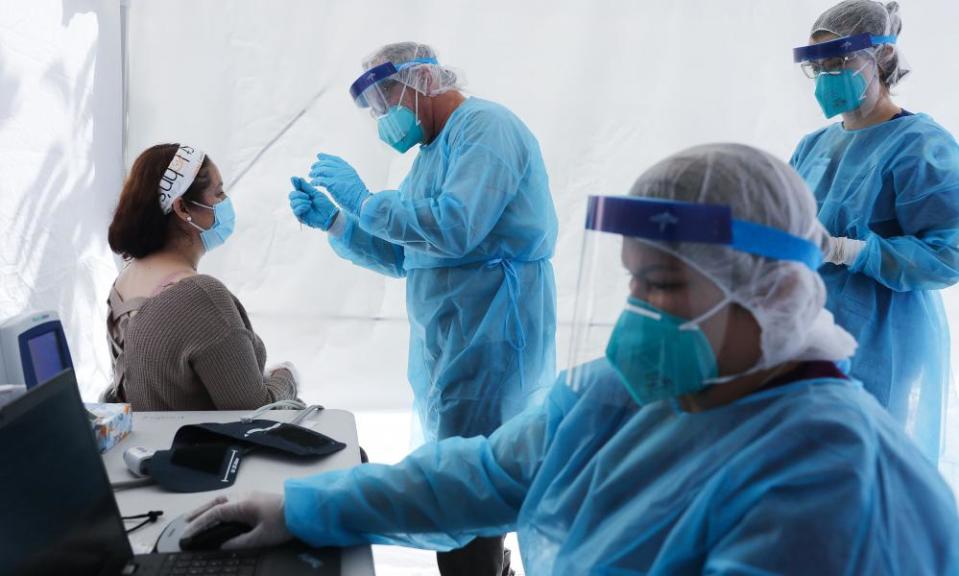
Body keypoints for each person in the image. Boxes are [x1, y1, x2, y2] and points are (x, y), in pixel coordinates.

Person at [188, 144, 959, 574]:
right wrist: (300, 509)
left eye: (662, 286)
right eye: (632, 284)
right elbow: (483, 474)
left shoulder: (839, 481)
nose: (637, 316)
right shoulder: (626, 396)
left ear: (764, 290)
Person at [288, 42, 558, 573]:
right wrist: (339, 223)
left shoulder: (486, 129)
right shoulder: (431, 155)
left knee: (469, 494)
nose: (386, 117)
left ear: (425, 80)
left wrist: (366, 203)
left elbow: (455, 227)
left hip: (494, 340)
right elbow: (408, 255)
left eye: (389, 100)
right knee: (460, 490)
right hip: (455, 345)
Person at [790, 0, 959, 463]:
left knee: (861, 465)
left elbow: (949, 255)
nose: (828, 74)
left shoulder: (922, 147)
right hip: (806, 328)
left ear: (882, 56)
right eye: (819, 65)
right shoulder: (814, 146)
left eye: (840, 62)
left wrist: (849, 250)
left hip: (881, 336)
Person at [104, 143, 298, 410]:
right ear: (182, 208)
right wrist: (286, 378)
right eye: (218, 194)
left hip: (147, 449)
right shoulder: (200, 296)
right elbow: (257, 412)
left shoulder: (124, 282)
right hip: (203, 450)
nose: (226, 202)